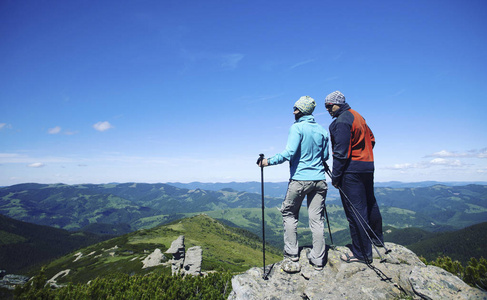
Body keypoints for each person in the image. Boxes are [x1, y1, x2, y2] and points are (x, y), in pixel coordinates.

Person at [258, 96, 330, 271]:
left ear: (302, 111)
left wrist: (268, 161)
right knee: (317, 220)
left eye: (296, 109)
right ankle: (318, 259)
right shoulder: (322, 130)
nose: (293, 112)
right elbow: (326, 156)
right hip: (320, 180)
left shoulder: (296, 128)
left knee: (289, 214)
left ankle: (292, 254)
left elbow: (289, 152)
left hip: (299, 179)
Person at [324, 90, 384, 264]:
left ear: (338, 104)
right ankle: (377, 240)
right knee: (370, 203)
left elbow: (340, 152)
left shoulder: (341, 121)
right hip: (367, 166)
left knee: (355, 211)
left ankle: (362, 253)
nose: (328, 109)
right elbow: (372, 139)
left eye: (329, 106)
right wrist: (363, 152)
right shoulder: (358, 116)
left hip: (351, 171)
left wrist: (336, 177)